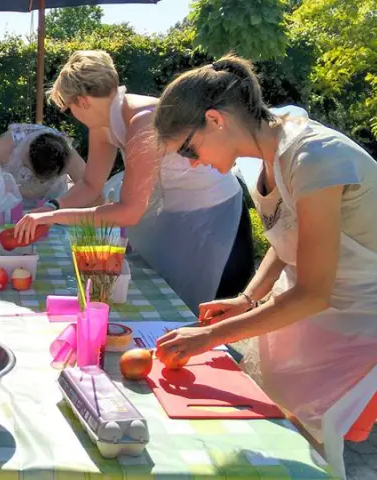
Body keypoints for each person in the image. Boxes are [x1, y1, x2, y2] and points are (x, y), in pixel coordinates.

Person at [152, 55, 377, 472]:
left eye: (188, 148)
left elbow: (313, 292)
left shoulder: (315, 157)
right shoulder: (264, 154)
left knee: (309, 452)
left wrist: (210, 337)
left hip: (358, 325)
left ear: (216, 120)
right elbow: (290, 236)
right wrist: (248, 298)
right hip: (310, 314)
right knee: (275, 433)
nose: (192, 162)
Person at [14, 50, 255, 313]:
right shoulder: (104, 124)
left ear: (82, 102)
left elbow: (128, 211)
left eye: (70, 108)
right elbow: (91, 185)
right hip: (176, 215)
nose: (72, 116)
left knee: (210, 311)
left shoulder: (143, 121)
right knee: (170, 303)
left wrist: (53, 218)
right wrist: (51, 207)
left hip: (216, 219)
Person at [0, 123, 87, 208]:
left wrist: (60, 206)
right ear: (26, 154)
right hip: (6, 211)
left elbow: (95, 193)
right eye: (30, 172)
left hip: (51, 213)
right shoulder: (9, 144)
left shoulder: (68, 154)